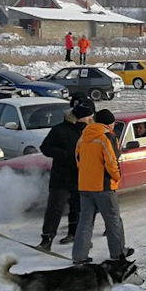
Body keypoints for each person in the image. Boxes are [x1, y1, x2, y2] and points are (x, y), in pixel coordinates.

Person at [72, 109, 129, 263]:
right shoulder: (107, 137)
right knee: (113, 220)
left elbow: (78, 159)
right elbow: (112, 161)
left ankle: (79, 256)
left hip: (84, 185)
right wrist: (117, 177)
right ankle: (118, 254)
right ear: (109, 122)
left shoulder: (84, 136)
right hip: (104, 186)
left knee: (85, 221)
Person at [37, 100, 94, 251]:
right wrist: (63, 154)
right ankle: (46, 239)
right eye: (88, 116)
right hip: (61, 177)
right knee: (55, 208)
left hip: (81, 176)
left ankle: (77, 236)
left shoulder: (90, 131)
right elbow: (45, 147)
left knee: (79, 208)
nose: (90, 118)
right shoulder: (59, 130)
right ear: (81, 116)